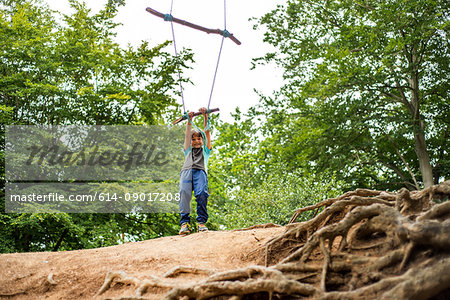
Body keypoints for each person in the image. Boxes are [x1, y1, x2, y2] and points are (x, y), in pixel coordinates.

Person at [178, 107, 212, 235]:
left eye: (199, 139)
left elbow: (207, 132)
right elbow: (187, 135)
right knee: (184, 194)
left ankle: (201, 222)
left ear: (202, 140)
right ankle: (185, 223)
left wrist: (205, 116)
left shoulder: (206, 151)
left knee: (202, 193)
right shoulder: (187, 150)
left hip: (200, 172)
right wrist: (189, 120)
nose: (196, 141)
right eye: (193, 139)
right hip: (186, 172)